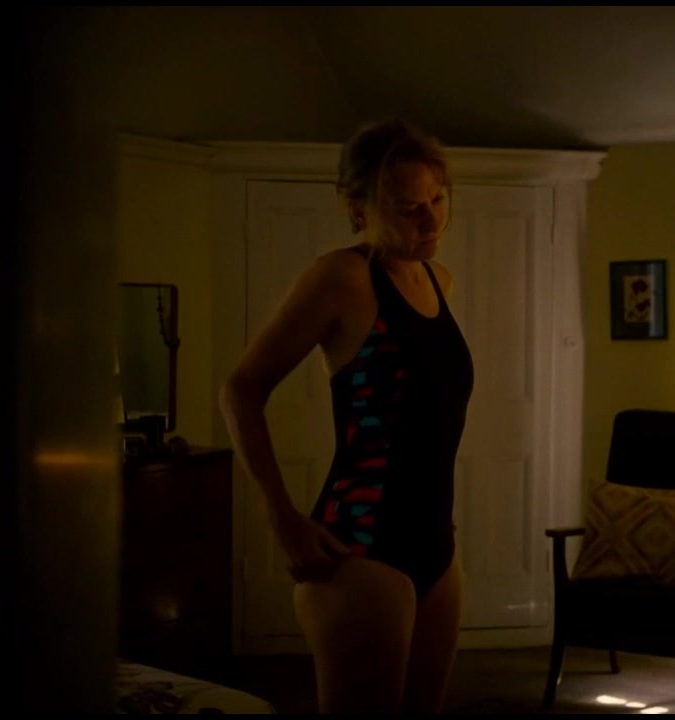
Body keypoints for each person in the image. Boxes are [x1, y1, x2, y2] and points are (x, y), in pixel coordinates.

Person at [219, 118, 474, 714]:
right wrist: (283, 518)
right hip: (361, 549)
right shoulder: (342, 278)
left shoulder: (439, 280)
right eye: (409, 208)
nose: (431, 222)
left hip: (437, 545)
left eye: (438, 201)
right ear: (357, 207)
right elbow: (241, 389)